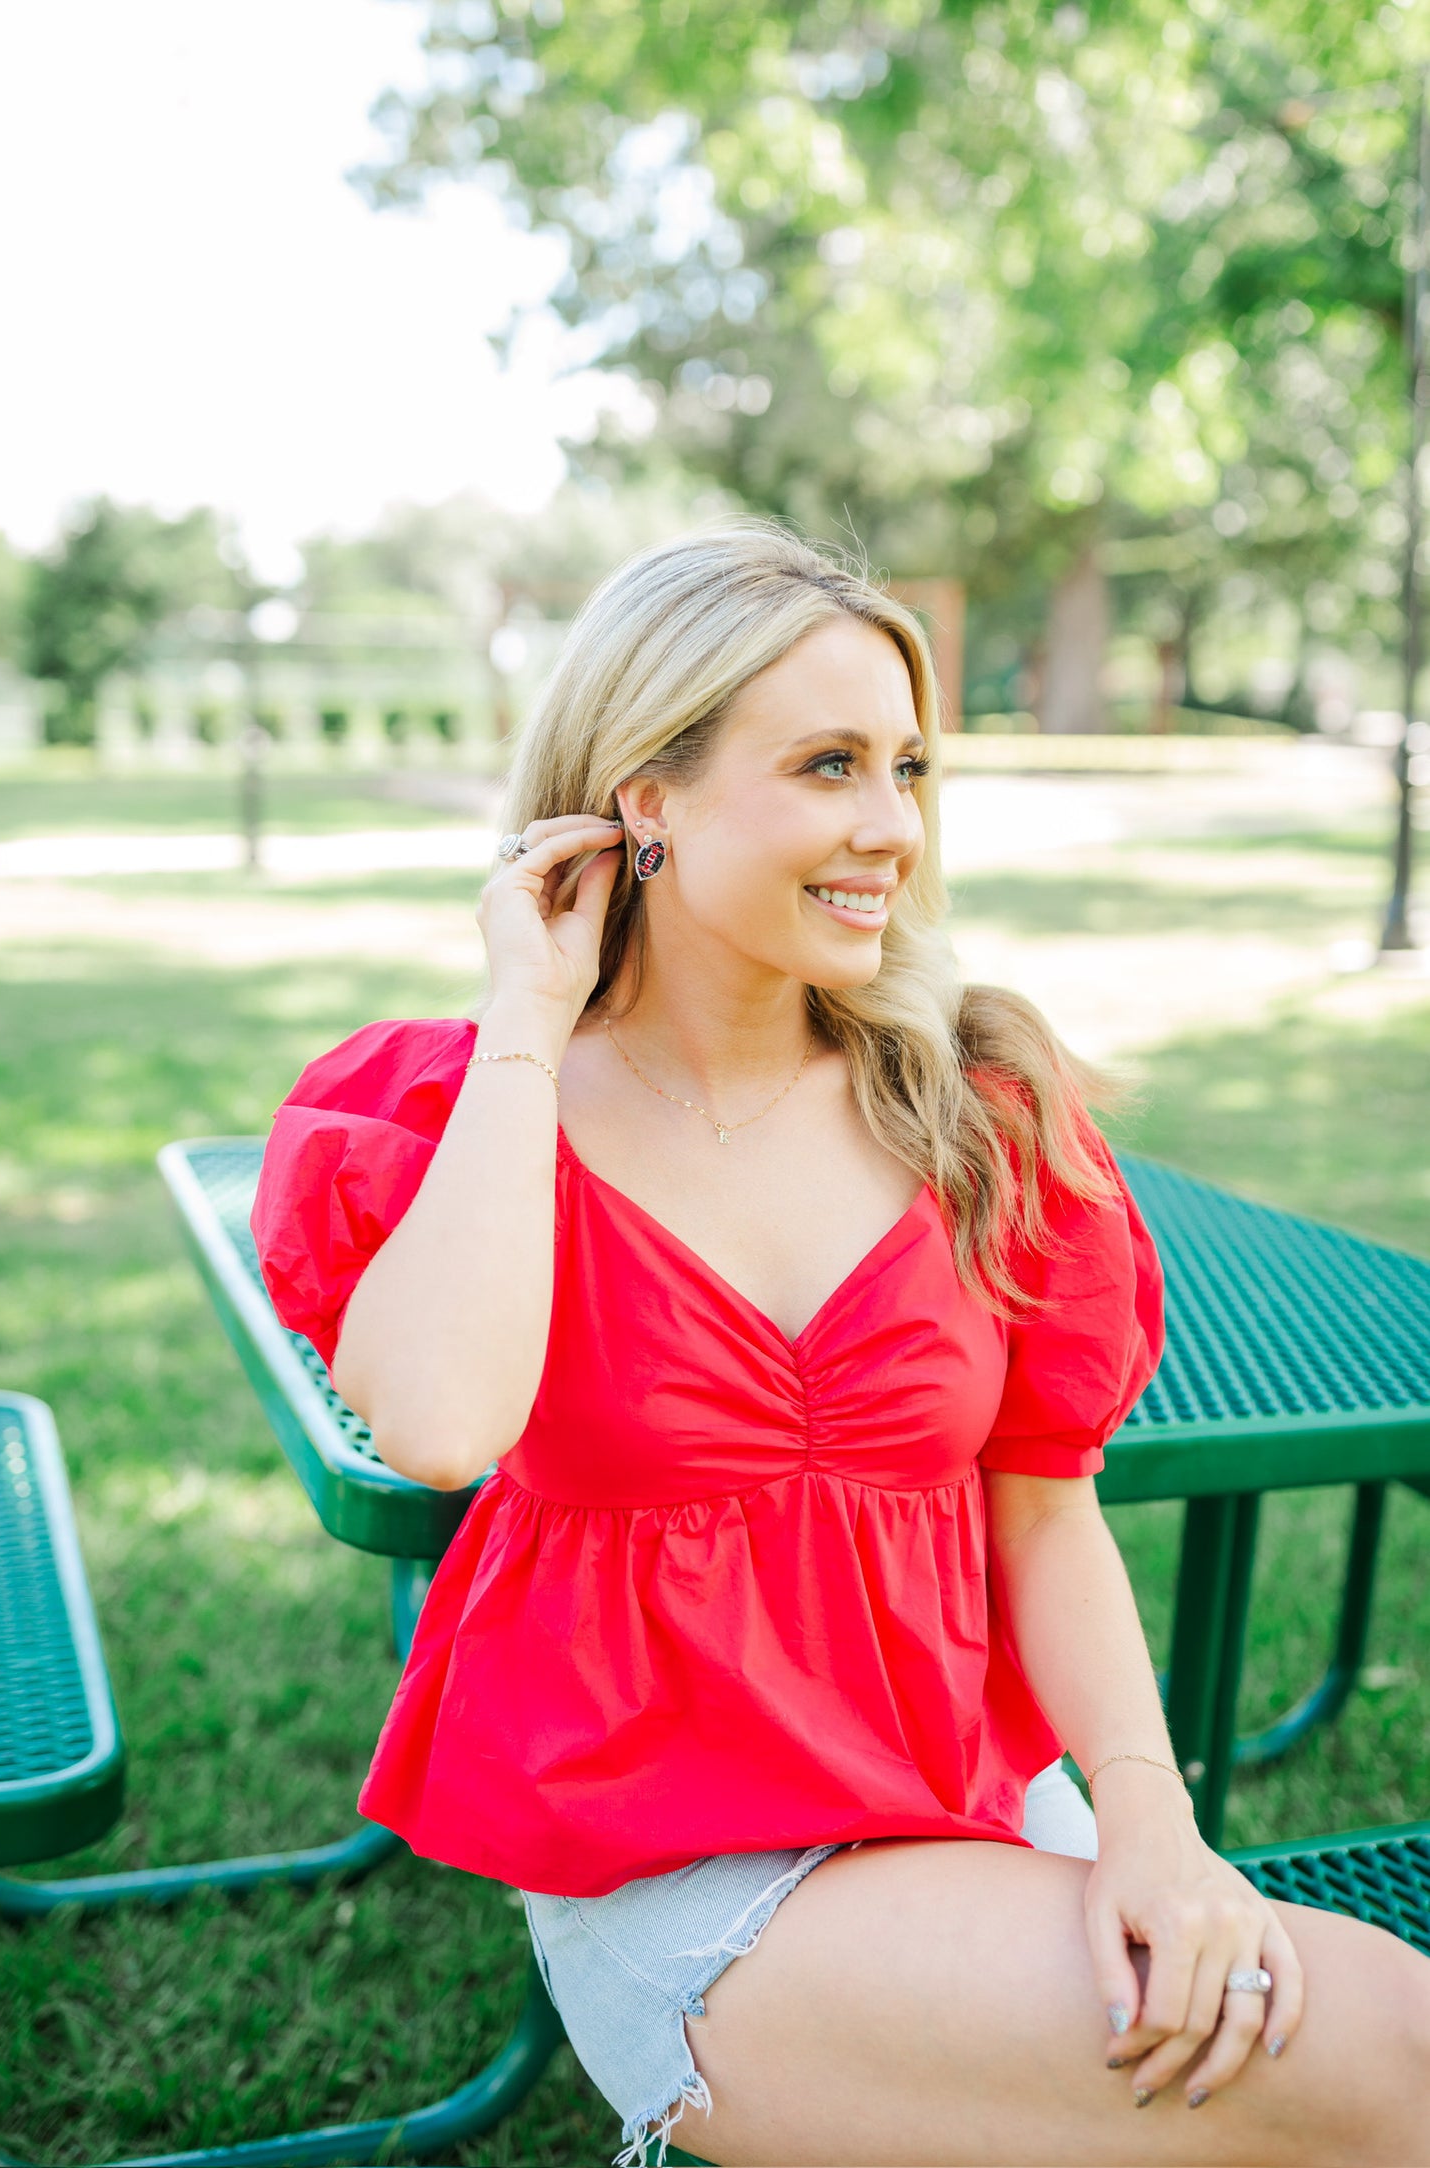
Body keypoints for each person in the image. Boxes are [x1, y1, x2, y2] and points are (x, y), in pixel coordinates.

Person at [251, 522, 1430, 2168]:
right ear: (645, 802)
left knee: (1343, 2061)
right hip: (684, 1866)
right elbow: (440, 1427)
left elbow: (1044, 1512)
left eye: (905, 767)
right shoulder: (464, 1108)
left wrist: (1154, 1822)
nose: (891, 826)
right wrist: (527, 1013)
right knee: (1378, 2048)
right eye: (826, 766)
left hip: (964, 1792)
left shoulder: (974, 1107)